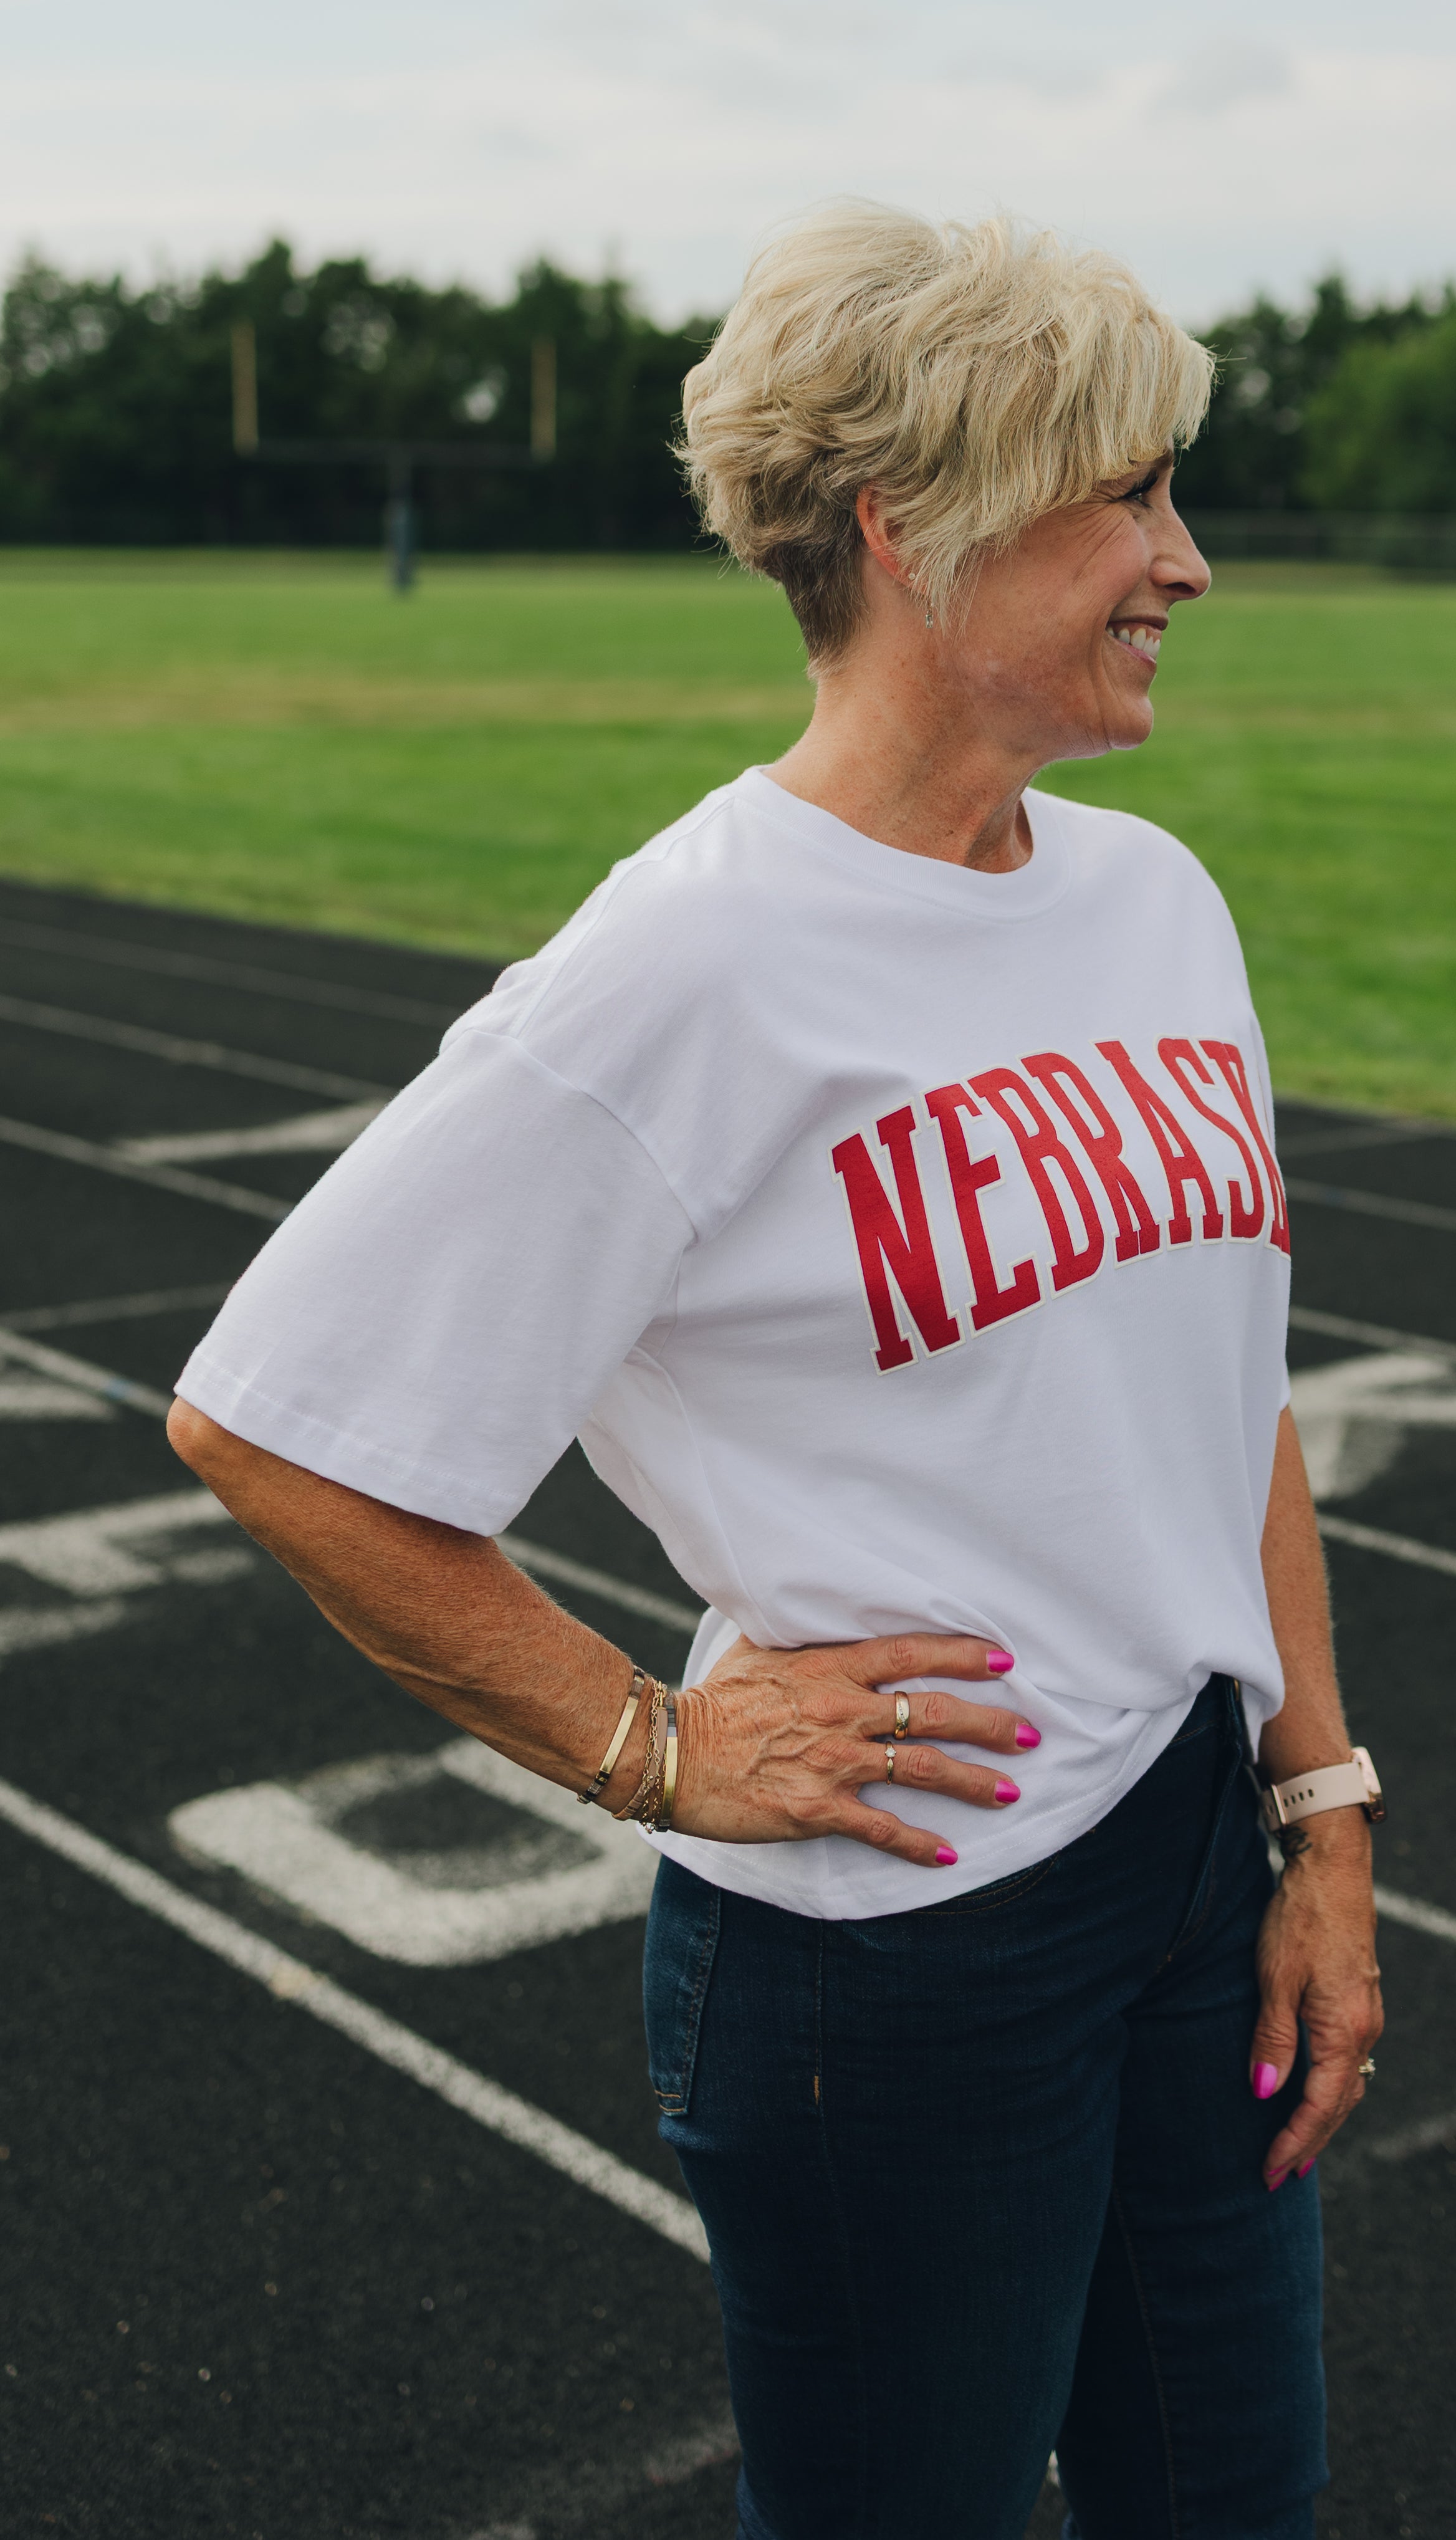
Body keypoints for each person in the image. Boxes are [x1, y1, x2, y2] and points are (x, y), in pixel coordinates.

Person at [169, 202, 1384, 2540]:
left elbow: (1227, 1384)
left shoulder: (1156, 903)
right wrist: (651, 1741)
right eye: (1124, 493)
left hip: (1182, 1855)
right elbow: (275, 1421)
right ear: (904, 530)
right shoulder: (686, 970)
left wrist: (1321, 1810)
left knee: (1232, 2501)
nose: (1188, 559)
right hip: (896, 1962)